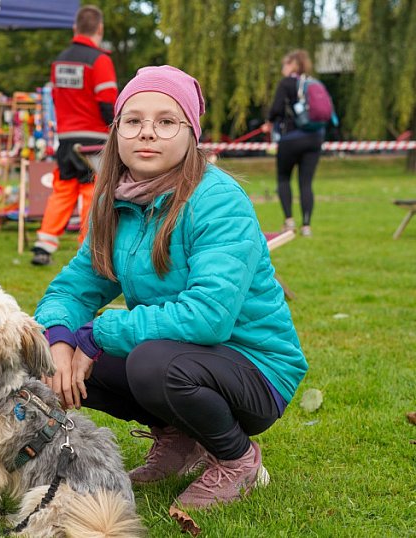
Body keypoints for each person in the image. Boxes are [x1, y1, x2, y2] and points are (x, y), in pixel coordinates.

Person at [35, 65, 308, 510]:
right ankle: (180, 439)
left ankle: (238, 459)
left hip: (256, 370)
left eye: (166, 122)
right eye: (134, 121)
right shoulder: (114, 201)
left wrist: (97, 333)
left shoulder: (216, 200)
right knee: (68, 359)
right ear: (116, 131)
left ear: (191, 134)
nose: (148, 133)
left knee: (148, 362)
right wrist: (60, 337)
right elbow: (74, 288)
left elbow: (209, 317)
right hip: (177, 354)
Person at [31, 5, 117, 266]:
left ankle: (44, 245)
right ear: (99, 29)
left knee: (63, 190)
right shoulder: (100, 60)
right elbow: (107, 103)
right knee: (94, 192)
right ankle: (90, 248)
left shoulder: (59, 62)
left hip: (67, 137)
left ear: (74, 28)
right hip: (94, 138)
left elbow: (56, 99)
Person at [261, 49, 324, 237]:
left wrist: (269, 122)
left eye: (285, 64)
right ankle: (306, 226)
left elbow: (277, 108)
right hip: (314, 138)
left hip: (291, 138)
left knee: (283, 178)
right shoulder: (312, 83)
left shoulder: (286, 83)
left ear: (292, 65)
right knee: (306, 183)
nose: (283, 68)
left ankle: (289, 221)